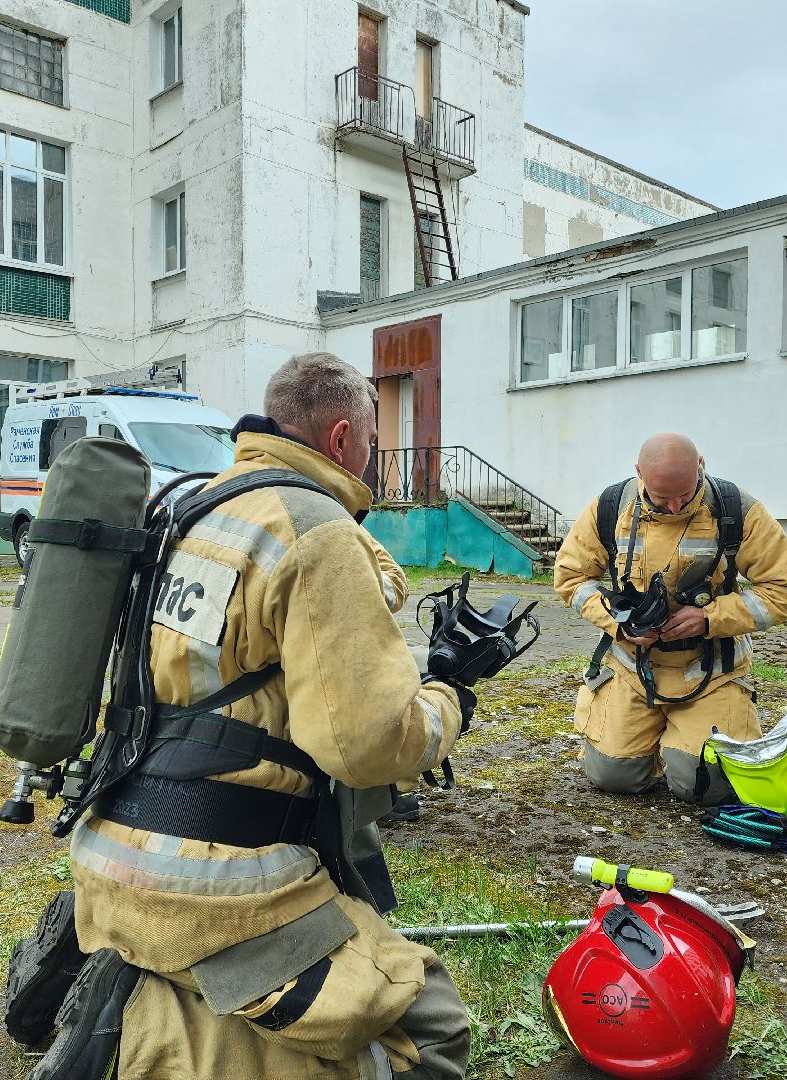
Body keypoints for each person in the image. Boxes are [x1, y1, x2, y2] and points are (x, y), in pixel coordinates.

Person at [29, 352, 474, 1079]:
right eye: (371, 441)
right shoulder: (312, 526)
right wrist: (448, 701)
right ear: (340, 440)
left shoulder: (192, 505)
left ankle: (138, 979)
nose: (373, 456)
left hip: (109, 850)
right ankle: (136, 1034)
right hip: (217, 887)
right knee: (428, 1031)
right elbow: (365, 748)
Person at [554, 433, 787, 805]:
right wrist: (618, 622)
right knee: (613, 777)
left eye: (685, 495)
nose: (674, 507)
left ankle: (691, 739)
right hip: (632, 665)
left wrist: (710, 618)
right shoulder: (611, 507)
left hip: (709, 669)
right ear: (639, 473)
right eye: (661, 498)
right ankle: (655, 741)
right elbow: (570, 578)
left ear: (701, 465)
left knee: (703, 787)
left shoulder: (736, 510)